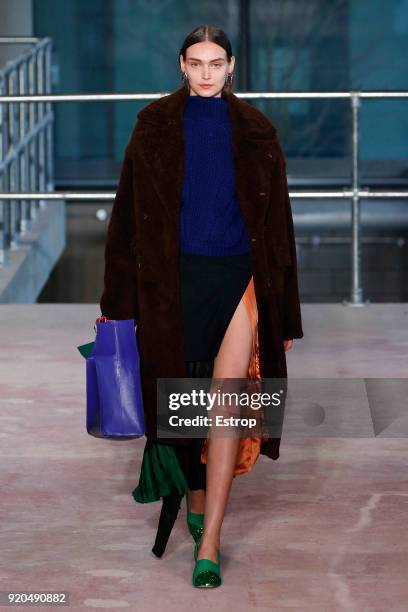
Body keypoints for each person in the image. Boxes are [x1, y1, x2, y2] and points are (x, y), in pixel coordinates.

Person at [99, 24, 304, 588]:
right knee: (183, 408)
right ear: (182, 67)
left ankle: (210, 540)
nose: (208, 72)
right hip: (172, 282)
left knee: (224, 408)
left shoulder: (258, 131)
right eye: (198, 62)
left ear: (232, 66)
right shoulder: (154, 126)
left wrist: (282, 312)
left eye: (218, 62)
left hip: (239, 280)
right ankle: (194, 500)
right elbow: (126, 218)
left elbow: (279, 230)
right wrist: (117, 306)